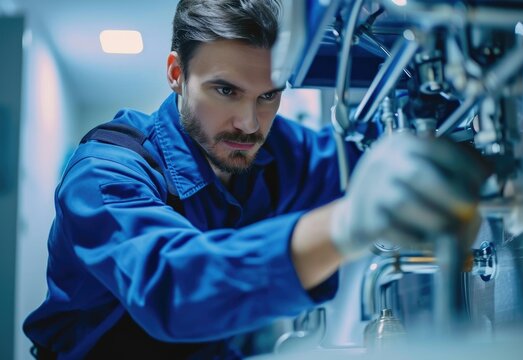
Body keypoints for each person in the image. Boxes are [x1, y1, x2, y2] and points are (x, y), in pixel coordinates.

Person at [23, 0, 488, 358]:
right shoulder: (105, 174)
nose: (249, 123)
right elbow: (172, 285)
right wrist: (346, 225)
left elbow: (356, 158)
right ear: (176, 74)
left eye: (269, 96)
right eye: (226, 90)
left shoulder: (273, 148)